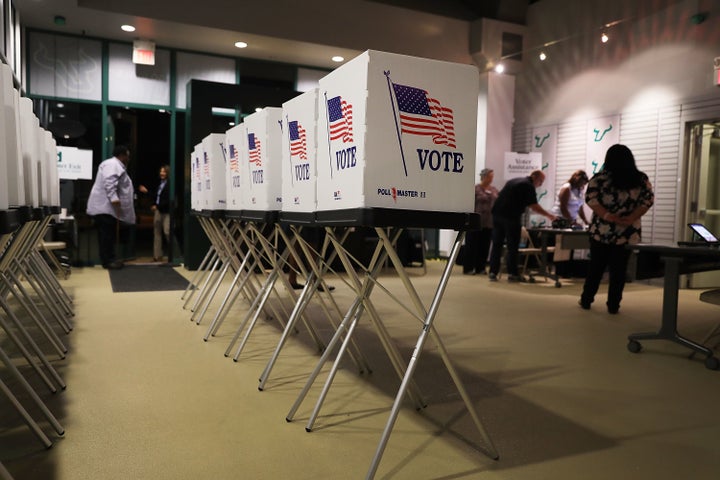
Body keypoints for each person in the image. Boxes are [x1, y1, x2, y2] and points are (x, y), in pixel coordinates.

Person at [579, 144, 654, 314]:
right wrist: (632, 217)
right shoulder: (640, 179)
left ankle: (586, 299)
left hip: (602, 230)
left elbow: (591, 199)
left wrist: (607, 216)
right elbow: (647, 201)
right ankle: (613, 305)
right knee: (619, 270)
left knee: (596, 267)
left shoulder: (600, 178)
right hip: (628, 231)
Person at [488, 170, 556, 282]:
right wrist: (549, 215)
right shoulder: (528, 186)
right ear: (534, 177)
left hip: (497, 215)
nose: (540, 184)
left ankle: (492, 272)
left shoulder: (513, 181)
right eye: (540, 181)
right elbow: (534, 206)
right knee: (512, 246)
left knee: (497, 245)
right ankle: (513, 274)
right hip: (511, 217)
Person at [86, 145, 136, 269]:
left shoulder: (115, 165)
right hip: (105, 208)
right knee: (106, 235)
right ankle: (108, 261)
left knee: (108, 235)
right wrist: (114, 199)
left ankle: (110, 258)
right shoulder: (112, 164)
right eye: (127, 156)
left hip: (107, 209)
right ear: (122, 155)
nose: (128, 159)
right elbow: (109, 182)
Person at [464, 168, 498, 275]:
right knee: (472, 245)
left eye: (492, 176)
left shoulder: (494, 190)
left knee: (484, 246)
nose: (491, 178)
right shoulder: (475, 189)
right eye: (489, 176)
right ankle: (469, 268)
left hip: (488, 222)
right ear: (484, 176)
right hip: (475, 222)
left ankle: (481, 267)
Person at [139, 165, 171, 262]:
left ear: (168, 173)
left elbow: (169, 200)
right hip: (158, 211)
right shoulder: (160, 184)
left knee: (167, 232)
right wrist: (146, 191)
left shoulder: (170, 184)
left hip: (166, 211)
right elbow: (156, 196)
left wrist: (158, 206)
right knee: (157, 233)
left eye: (164, 172)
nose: (162, 173)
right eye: (161, 171)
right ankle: (157, 256)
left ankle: (175, 254)